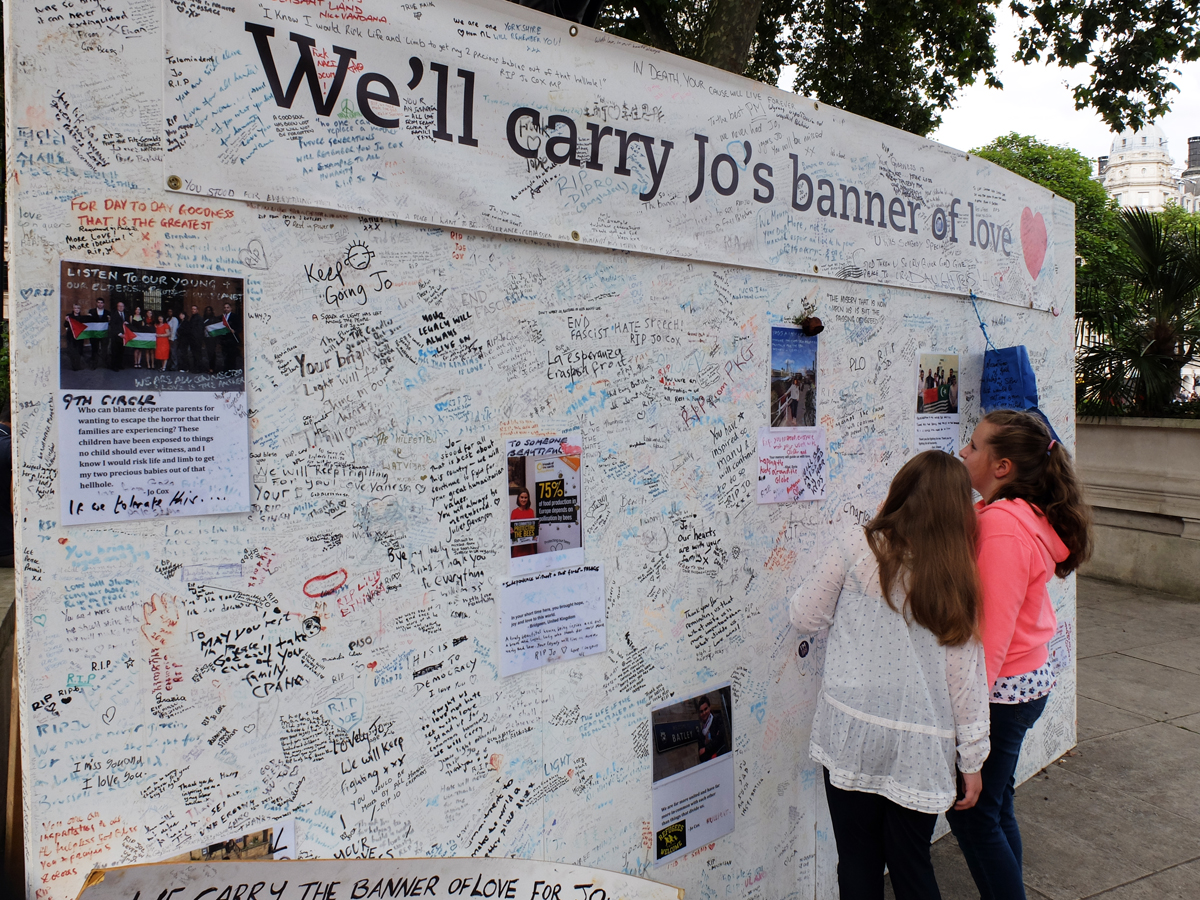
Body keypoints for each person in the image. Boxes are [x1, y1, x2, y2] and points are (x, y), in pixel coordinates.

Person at [791, 450, 989, 900]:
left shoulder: (855, 548)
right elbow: (965, 683)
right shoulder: (958, 578)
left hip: (852, 732)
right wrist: (973, 760)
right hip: (919, 745)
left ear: (900, 492)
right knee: (912, 866)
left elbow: (805, 616)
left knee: (857, 863)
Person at [950, 410, 1093, 900]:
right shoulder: (1012, 516)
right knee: (994, 806)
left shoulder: (1004, 531)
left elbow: (990, 635)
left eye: (972, 447)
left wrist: (968, 721)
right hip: (1022, 683)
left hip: (1002, 694)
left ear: (1002, 467)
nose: (962, 454)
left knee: (972, 816)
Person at [695, 696, 728, 762]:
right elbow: (701, 755)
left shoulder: (717, 719)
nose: (704, 713)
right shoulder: (701, 734)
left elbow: (720, 739)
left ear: (709, 708)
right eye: (701, 711)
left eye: (705, 709)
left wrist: (706, 749)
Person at [510, 489, 537, 558]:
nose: (523, 500)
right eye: (522, 497)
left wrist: (536, 527)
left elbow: (533, 531)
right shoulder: (514, 512)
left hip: (529, 549)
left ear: (528, 498)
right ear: (518, 498)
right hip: (518, 549)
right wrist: (510, 530)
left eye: (525, 497)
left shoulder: (531, 511)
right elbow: (511, 529)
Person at [86, 298, 109, 369]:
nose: (100, 304)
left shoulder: (107, 312)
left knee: (104, 349)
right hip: (94, 334)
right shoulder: (91, 311)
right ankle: (94, 364)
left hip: (104, 334)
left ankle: (104, 364)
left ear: (104, 304)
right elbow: (87, 321)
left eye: (101, 303)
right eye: (98, 302)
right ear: (96, 303)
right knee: (94, 349)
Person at [64, 304, 86, 371]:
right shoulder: (69, 316)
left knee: (79, 351)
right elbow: (65, 325)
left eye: (78, 308)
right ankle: (74, 366)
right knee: (72, 351)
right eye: (75, 308)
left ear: (80, 309)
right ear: (73, 309)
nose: (77, 310)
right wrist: (67, 321)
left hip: (79, 336)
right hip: (71, 337)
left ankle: (78, 364)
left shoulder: (82, 318)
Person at [110, 300, 129, 370]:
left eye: (122, 306)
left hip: (124, 336)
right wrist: (119, 334)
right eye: (119, 306)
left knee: (121, 351)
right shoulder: (113, 314)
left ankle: (120, 364)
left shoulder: (126, 314)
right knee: (115, 351)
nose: (121, 307)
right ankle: (114, 366)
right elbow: (113, 325)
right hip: (116, 336)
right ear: (117, 307)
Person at [202, 305, 220, 373]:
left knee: (212, 353)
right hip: (206, 338)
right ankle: (209, 367)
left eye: (209, 310)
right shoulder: (203, 319)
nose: (208, 312)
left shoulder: (215, 319)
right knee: (208, 353)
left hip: (213, 339)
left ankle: (212, 368)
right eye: (207, 310)